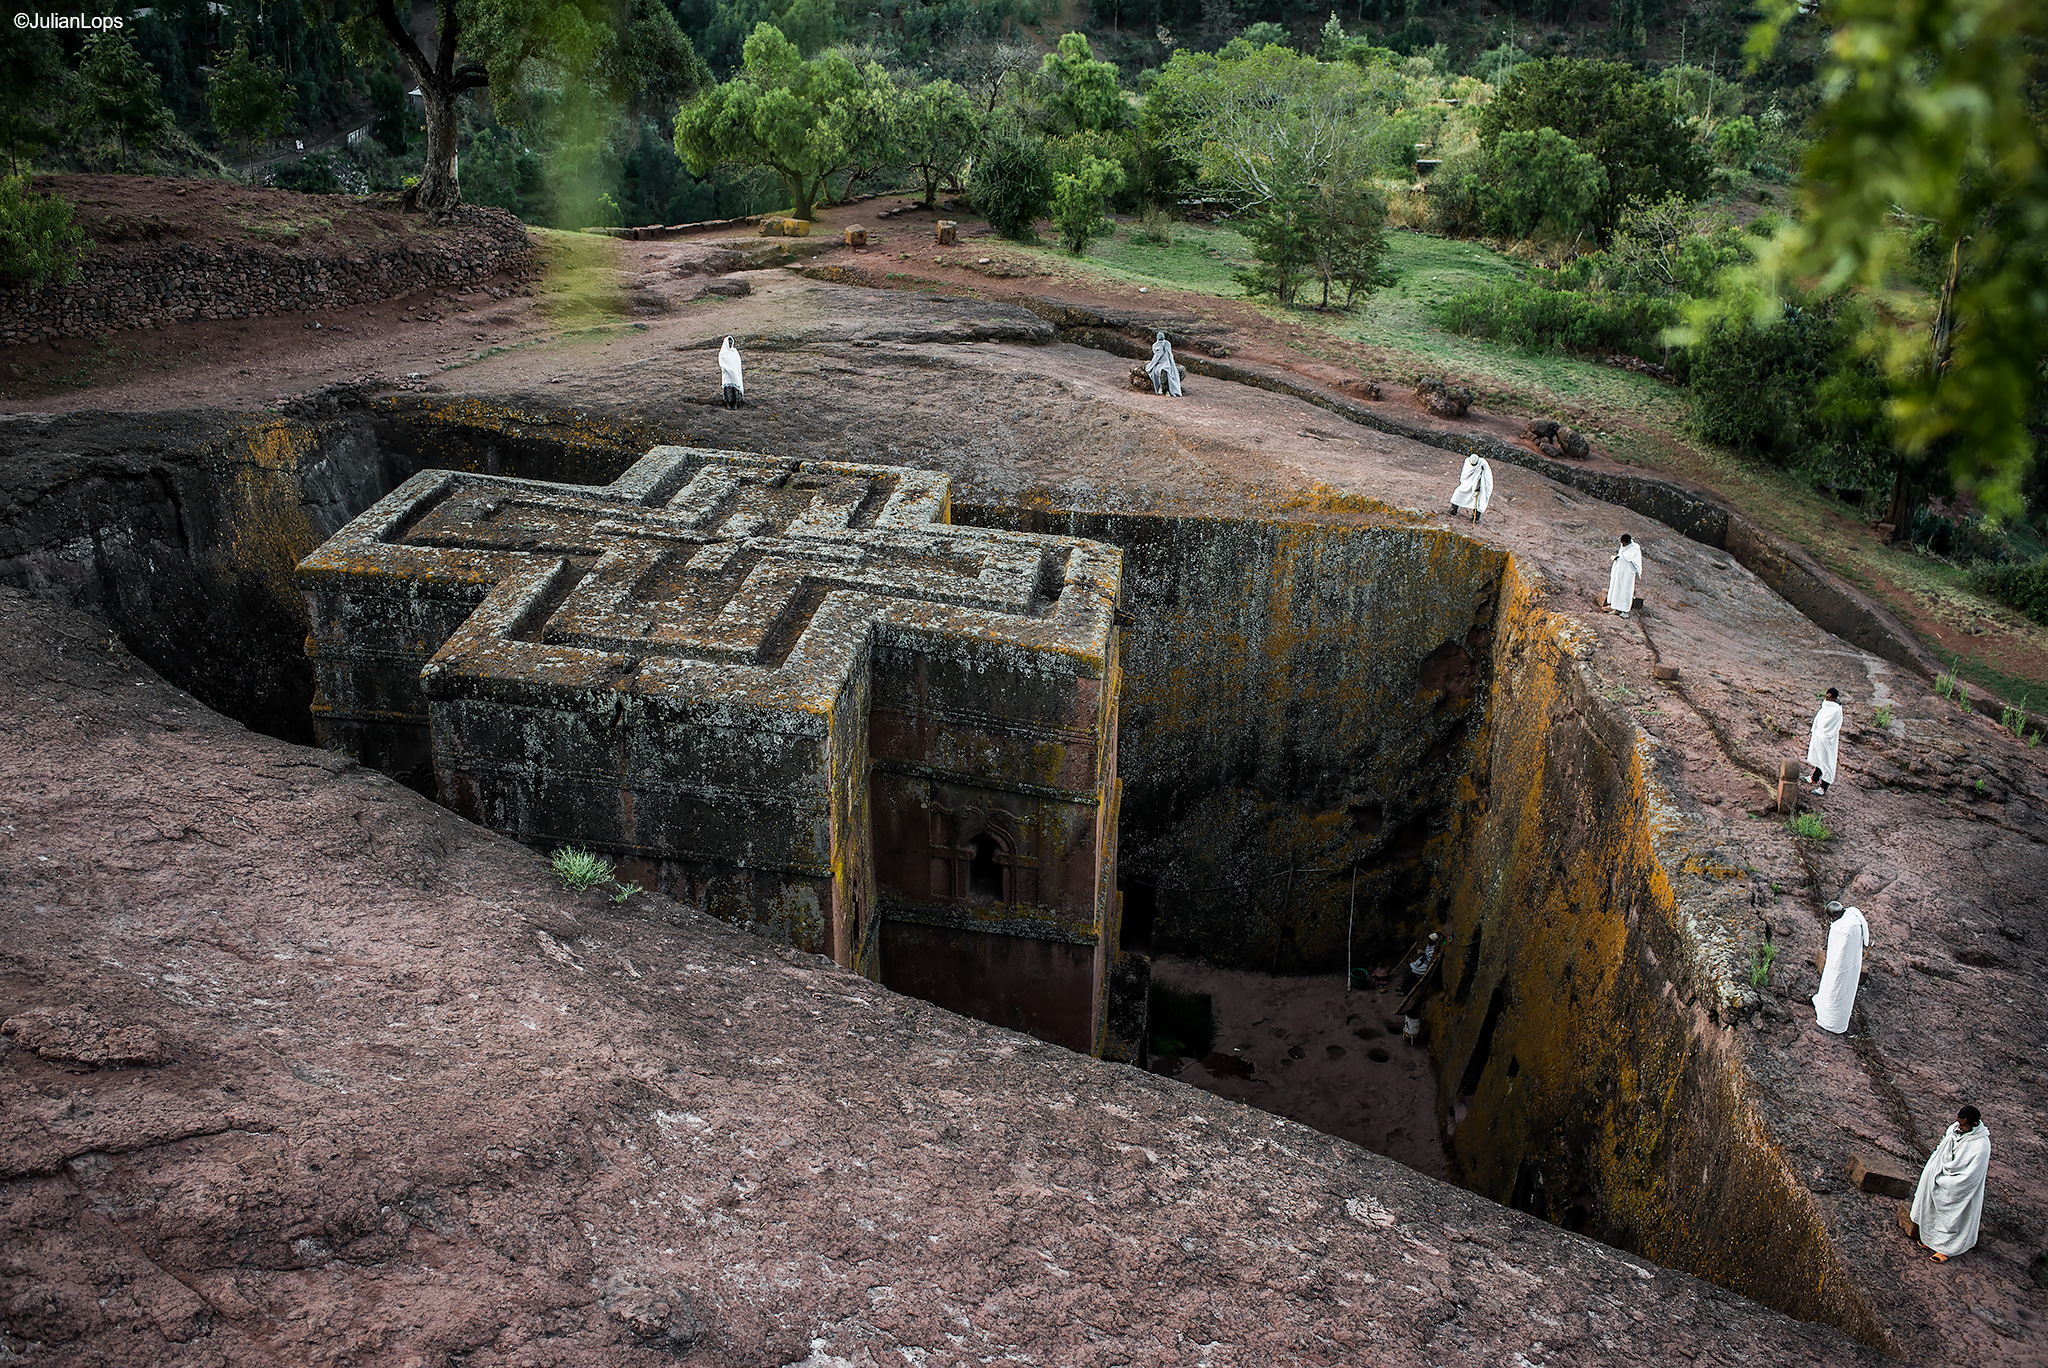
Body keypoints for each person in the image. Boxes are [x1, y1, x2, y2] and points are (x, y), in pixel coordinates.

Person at [1911, 1105, 1991, 1262]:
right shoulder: (1955, 1129)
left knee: (1953, 1215)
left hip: (1958, 1186)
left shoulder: (1981, 1146)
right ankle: (1930, 1240)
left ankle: (1946, 1249)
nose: (1959, 1126)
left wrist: (1944, 1180)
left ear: (1974, 1124)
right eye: (1959, 1123)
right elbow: (1943, 1151)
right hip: (1942, 1174)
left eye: (1963, 1125)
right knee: (1932, 1206)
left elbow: (1970, 1177)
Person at [1811, 902, 1869, 1034]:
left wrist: (1835, 967)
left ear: (1836, 914)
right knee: (1843, 992)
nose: (1832, 921)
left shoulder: (1845, 930)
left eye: (1832, 918)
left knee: (1836, 991)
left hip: (1840, 967)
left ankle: (1832, 1022)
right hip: (1852, 964)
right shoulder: (1853, 917)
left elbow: (1840, 951)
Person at [1807, 688, 1843, 796]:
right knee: (1820, 758)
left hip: (1827, 738)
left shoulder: (1836, 709)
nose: (1826, 696)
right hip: (1819, 735)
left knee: (1826, 761)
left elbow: (1826, 723)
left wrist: (1822, 733)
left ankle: (1823, 788)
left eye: (1829, 694)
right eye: (1827, 693)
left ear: (1833, 697)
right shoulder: (1826, 705)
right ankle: (1814, 778)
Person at [1606, 534, 1642, 616]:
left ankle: (1625, 611)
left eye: (1624, 543)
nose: (1622, 545)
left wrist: (1620, 558)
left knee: (1625, 591)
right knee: (1616, 589)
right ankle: (1615, 608)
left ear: (1628, 542)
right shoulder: (1623, 547)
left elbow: (1632, 560)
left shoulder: (1635, 549)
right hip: (1619, 572)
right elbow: (1621, 556)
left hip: (1627, 574)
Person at [1450, 454, 1492, 523]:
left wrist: (1480, 485)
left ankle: (1476, 517)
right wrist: (1468, 483)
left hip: (1480, 485)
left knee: (1479, 499)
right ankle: (1454, 509)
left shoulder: (1483, 463)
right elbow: (1465, 474)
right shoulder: (1467, 462)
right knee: (1458, 492)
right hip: (1469, 482)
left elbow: (1487, 476)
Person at [1145, 331, 1183, 397]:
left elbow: (1169, 354)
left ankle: (1166, 389)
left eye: (1162, 340)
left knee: (1166, 371)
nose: (1161, 342)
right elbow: (1156, 356)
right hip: (1159, 363)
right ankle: (1162, 388)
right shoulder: (1156, 345)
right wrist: (1152, 364)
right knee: (1158, 371)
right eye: (1160, 340)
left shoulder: (1167, 344)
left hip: (1167, 362)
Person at [718, 335, 744, 409]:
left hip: (735, 374)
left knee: (735, 387)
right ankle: (728, 404)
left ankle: (735, 404)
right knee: (727, 389)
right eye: (728, 343)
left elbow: (737, 363)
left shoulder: (734, 352)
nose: (730, 344)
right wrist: (728, 369)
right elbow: (722, 364)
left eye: (731, 343)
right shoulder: (723, 353)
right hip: (727, 374)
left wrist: (734, 371)